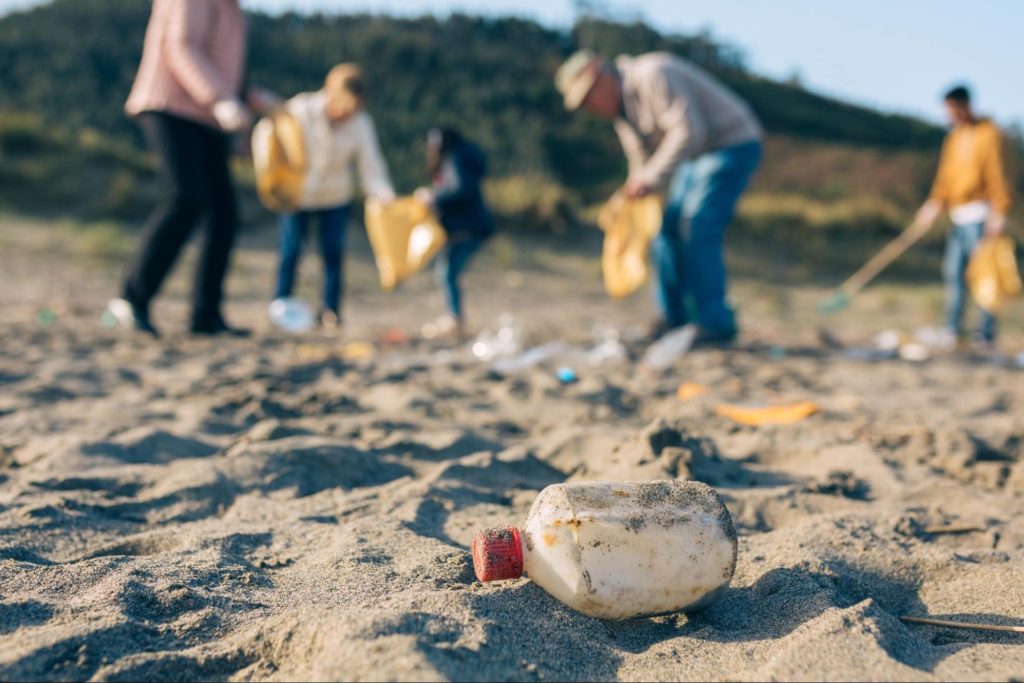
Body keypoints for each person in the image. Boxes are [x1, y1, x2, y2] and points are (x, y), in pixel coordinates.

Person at [555, 49, 762, 344]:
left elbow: (688, 130)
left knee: (697, 224)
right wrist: (631, 193)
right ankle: (673, 317)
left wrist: (650, 179)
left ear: (600, 78)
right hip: (696, 157)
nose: (590, 107)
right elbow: (639, 160)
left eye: (588, 98)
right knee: (665, 232)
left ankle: (714, 321)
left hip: (732, 144)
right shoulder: (622, 111)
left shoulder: (653, 73)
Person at [108, 0, 276, 337]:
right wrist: (220, 100)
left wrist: (251, 101)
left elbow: (227, 67)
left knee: (224, 213)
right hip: (169, 106)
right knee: (185, 198)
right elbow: (181, 47)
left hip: (208, 117)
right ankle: (131, 300)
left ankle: (206, 315)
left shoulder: (234, 11)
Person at [258, 64, 395, 328]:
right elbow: (269, 141)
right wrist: (272, 181)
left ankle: (330, 311)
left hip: (335, 198)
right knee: (290, 251)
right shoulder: (299, 111)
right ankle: (280, 305)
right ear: (331, 94)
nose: (348, 114)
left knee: (333, 254)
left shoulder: (361, 123)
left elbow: (371, 165)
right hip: (298, 197)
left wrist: (382, 195)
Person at [915, 85, 1013, 349]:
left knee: (983, 276)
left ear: (965, 105)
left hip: (982, 214)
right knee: (953, 273)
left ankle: (986, 334)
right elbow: (945, 179)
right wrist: (933, 204)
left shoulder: (990, 133)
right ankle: (953, 330)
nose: (949, 115)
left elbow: (998, 175)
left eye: (952, 109)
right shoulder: (954, 138)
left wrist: (999, 210)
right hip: (958, 216)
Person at [415, 127, 495, 338]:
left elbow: (460, 188)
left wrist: (433, 197)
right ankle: (455, 318)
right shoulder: (460, 158)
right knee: (448, 271)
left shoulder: (455, 159)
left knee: (447, 271)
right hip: (471, 227)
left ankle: (456, 320)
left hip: (467, 228)